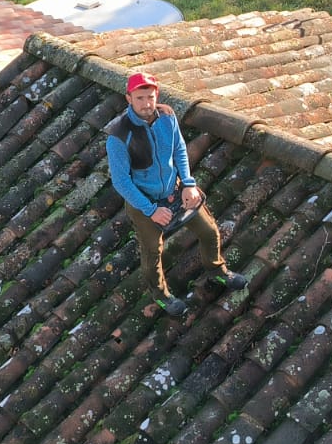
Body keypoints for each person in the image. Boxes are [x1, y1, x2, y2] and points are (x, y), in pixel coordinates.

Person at [106, 71, 249, 316]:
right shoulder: (119, 135)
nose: (146, 103)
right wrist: (151, 210)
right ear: (128, 98)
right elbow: (121, 182)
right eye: (139, 98)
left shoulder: (167, 116)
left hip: (175, 191)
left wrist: (188, 184)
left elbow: (180, 150)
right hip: (144, 202)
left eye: (150, 97)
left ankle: (217, 271)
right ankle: (161, 295)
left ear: (156, 95)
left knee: (209, 231)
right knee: (152, 252)